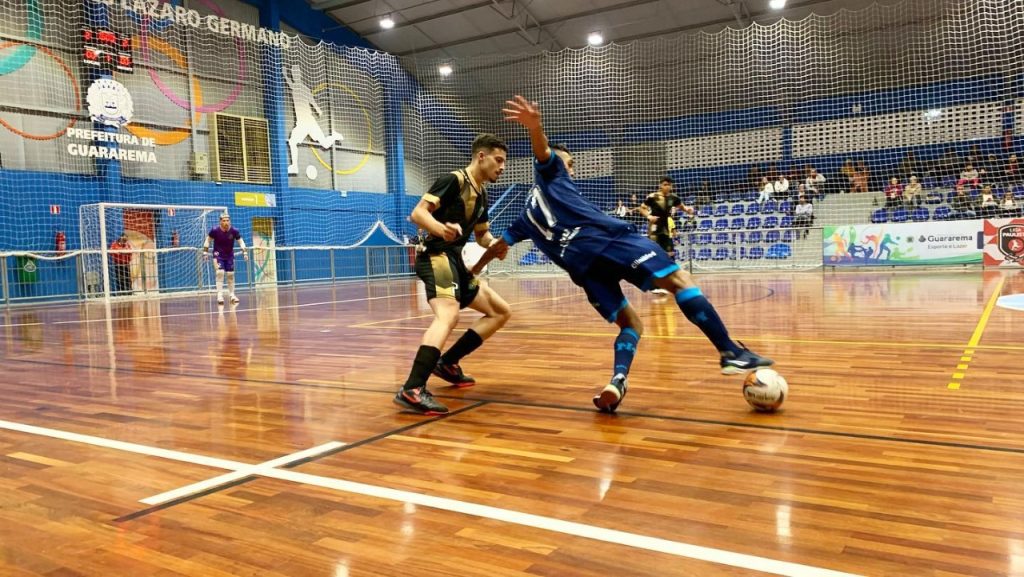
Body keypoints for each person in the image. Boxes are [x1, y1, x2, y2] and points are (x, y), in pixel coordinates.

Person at [474, 96, 773, 413]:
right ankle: (729, 351)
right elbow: (544, 152)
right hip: (607, 240)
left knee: (632, 324)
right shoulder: (553, 173)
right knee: (681, 280)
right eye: (570, 164)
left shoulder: (523, 219)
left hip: (585, 272)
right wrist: (535, 127)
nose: (571, 170)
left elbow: (497, 247)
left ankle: (617, 380)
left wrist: (475, 268)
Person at [393, 133, 513, 416]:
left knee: (500, 312)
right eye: (499, 160)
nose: (502, 167)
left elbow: (482, 236)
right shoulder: (453, 181)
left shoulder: (482, 193)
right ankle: (412, 388)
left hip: (455, 260)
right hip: (435, 256)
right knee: (448, 315)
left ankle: (447, 363)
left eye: (504, 162)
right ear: (480, 156)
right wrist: (440, 229)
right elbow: (418, 214)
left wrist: (494, 244)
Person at [203, 213, 249, 304]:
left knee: (230, 275)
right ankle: (219, 296)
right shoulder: (215, 230)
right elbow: (208, 240)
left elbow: (241, 241)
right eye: (224, 220)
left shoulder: (234, 231)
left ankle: (232, 295)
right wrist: (205, 252)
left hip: (229, 256)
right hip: (218, 255)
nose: (226, 222)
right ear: (220, 221)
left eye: (227, 220)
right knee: (220, 273)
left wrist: (245, 252)